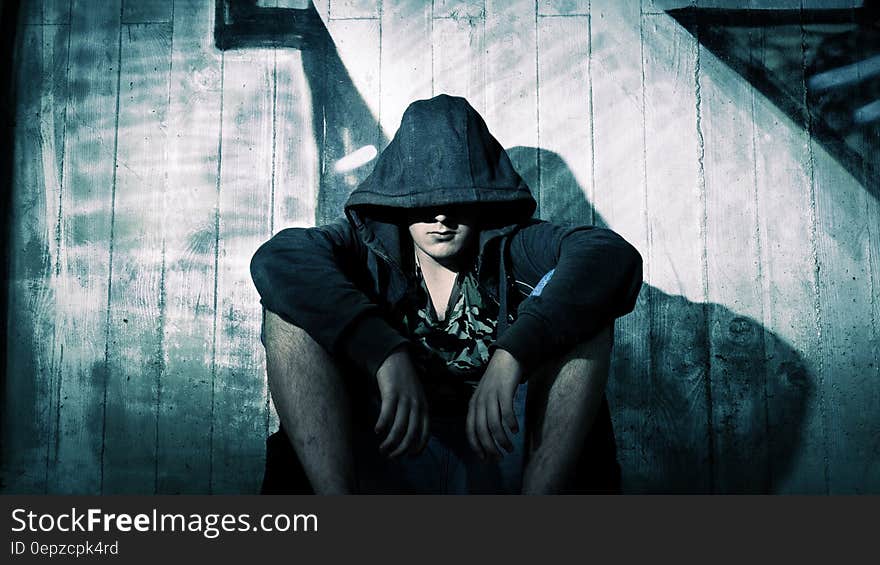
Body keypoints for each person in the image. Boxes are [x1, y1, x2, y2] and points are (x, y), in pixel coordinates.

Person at [250, 94, 642, 494]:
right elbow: (278, 260)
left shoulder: (516, 245)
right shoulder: (362, 246)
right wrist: (382, 352)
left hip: (502, 442)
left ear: (482, 196)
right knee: (287, 316)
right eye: (423, 199)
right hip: (388, 442)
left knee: (588, 314)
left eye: (455, 196)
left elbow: (609, 257)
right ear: (398, 199)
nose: (440, 214)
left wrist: (513, 355)